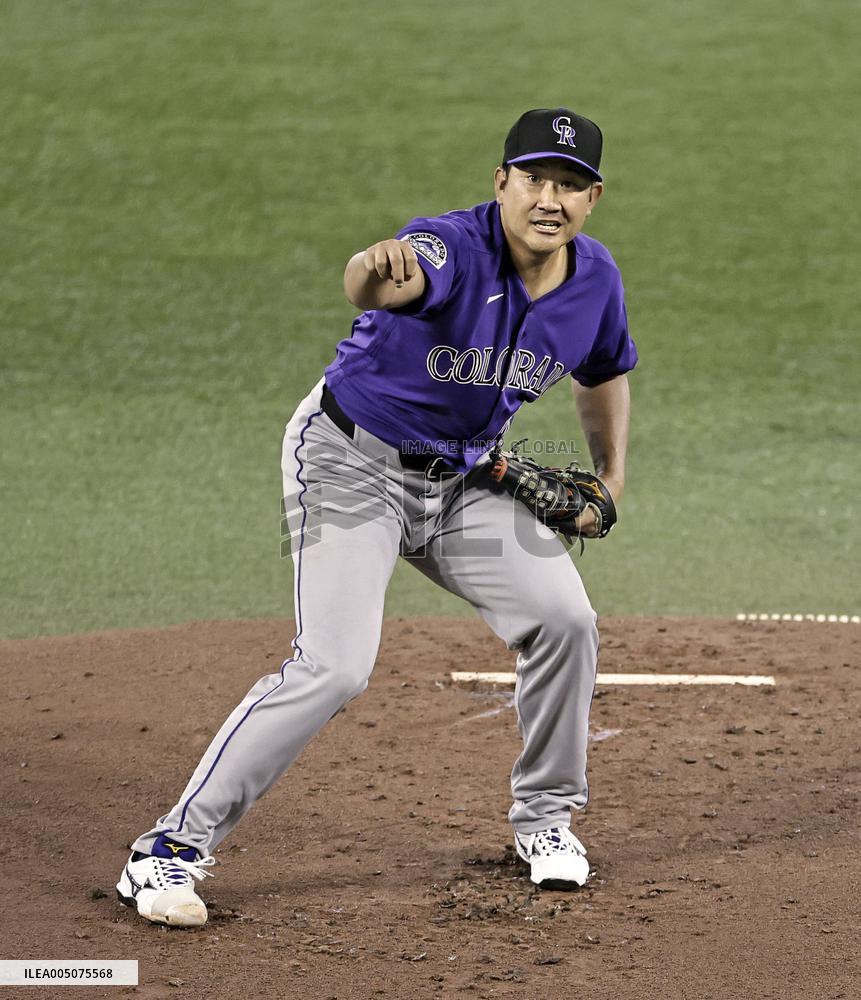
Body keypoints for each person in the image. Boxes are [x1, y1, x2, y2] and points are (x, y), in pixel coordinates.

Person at [116, 107, 638, 927]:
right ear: (500, 182)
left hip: (463, 477)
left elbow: (602, 369)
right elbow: (384, 279)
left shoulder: (594, 280)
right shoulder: (449, 246)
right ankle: (168, 849)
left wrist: (611, 472)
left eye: (569, 185)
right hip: (348, 465)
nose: (549, 198)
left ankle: (545, 820)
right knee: (334, 666)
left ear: (592, 198)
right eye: (534, 179)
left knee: (564, 619)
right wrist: (371, 267)